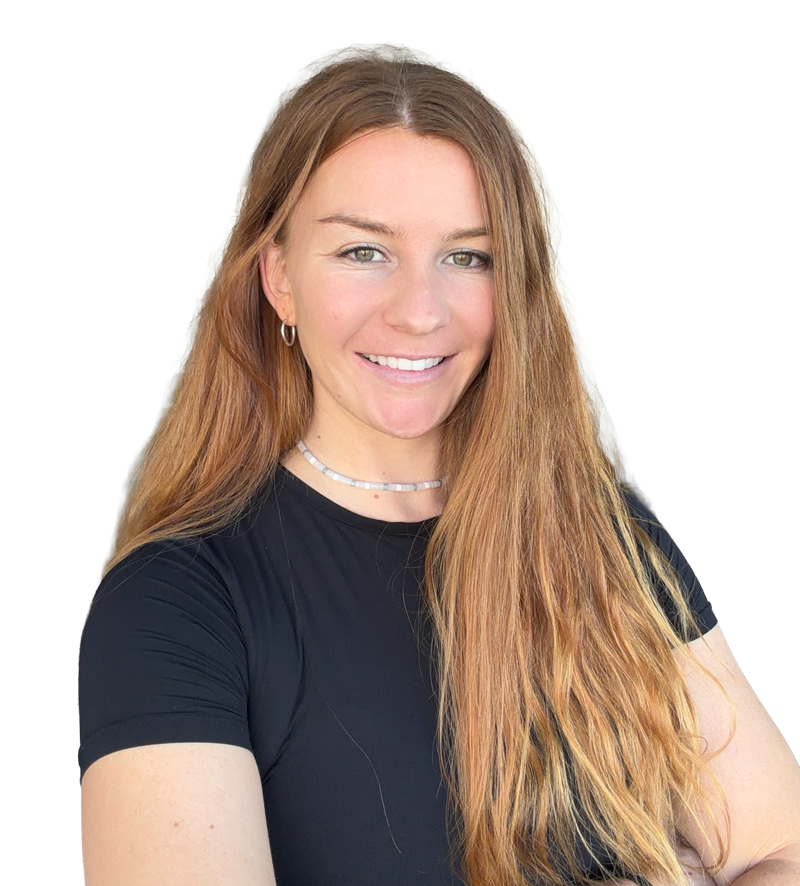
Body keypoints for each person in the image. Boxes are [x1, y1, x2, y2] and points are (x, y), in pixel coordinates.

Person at [78, 46, 800, 886]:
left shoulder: (611, 539)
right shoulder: (177, 605)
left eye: (469, 257)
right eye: (362, 251)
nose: (420, 313)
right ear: (279, 279)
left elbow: (781, 848)